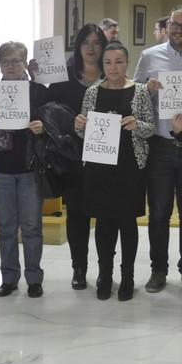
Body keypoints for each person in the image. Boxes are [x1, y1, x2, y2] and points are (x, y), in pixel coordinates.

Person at [133, 4, 182, 292]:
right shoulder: (150, 56)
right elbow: (133, 91)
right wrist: (146, 89)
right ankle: (158, 270)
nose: (178, 30)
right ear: (167, 26)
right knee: (159, 212)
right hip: (160, 146)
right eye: (174, 24)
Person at [75, 42, 156, 301]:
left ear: (127, 63)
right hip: (99, 166)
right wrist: (78, 125)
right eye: (108, 62)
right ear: (103, 65)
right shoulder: (92, 92)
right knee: (103, 222)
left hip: (130, 165)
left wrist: (137, 124)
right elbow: (83, 130)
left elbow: (150, 127)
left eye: (118, 62)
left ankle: (128, 277)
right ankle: (105, 275)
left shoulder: (140, 91)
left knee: (126, 222)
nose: (113, 67)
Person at [0, 41, 49, 298]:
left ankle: (34, 277)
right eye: (5, 62)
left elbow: (51, 124)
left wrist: (42, 128)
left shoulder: (38, 91)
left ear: (25, 63)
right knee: (6, 227)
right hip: (2, 167)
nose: (10, 66)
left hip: (31, 167)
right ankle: (9, 277)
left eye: (16, 61)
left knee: (32, 226)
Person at [47, 23, 107, 289]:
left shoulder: (113, 76)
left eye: (96, 43)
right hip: (72, 159)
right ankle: (79, 268)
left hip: (106, 158)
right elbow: (47, 110)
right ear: (78, 46)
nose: (91, 48)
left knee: (106, 215)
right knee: (78, 215)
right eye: (86, 43)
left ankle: (105, 268)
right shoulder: (64, 79)